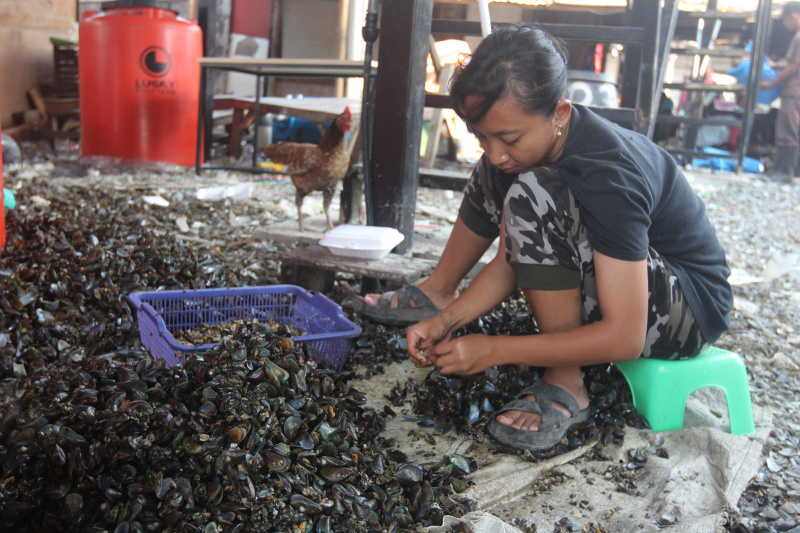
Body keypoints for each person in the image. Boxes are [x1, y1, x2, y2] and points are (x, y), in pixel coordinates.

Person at [368, 24, 734, 453]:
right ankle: (442, 294)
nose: (494, 150)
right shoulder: (522, 153)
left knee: (531, 193)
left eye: (509, 137)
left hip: (688, 308)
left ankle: (566, 382)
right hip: (629, 281)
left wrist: (495, 350)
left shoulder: (608, 174)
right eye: (482, 136)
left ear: (560, 114)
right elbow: (513, 258)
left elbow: (625, 337)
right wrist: (448, 321)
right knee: (506, 175)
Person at [760, 1, 800, 183]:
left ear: (793, 16)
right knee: (790, 129)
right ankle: (783, 170)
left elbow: (792, 67)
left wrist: (771, 84)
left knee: (788, 130)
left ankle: (784, 172)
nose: (785, 24)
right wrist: (774, 64)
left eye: (785, 19)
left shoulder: (798, 37)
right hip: (795, 91)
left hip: (794, 92)